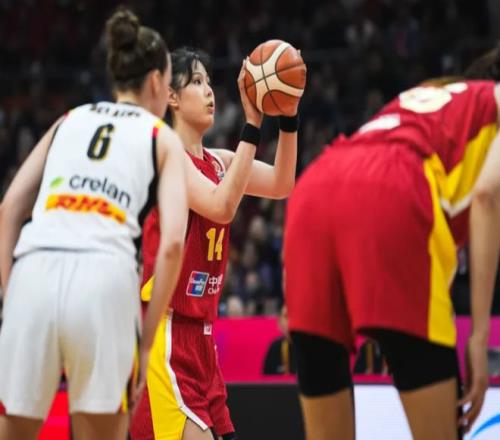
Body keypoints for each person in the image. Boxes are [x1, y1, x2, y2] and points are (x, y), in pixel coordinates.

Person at [284, 46, 500, 440]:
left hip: (316, 187)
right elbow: (488, 196)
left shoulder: (430, 97)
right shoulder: (490, 103)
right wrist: (480, 336)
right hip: (393, 191)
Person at [0, 8, 190, 440]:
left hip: (34, 270)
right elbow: (172, 245)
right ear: (156, 82)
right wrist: (146, 343)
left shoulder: (70, 119)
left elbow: (9, 208)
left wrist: (13, 296)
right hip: (104, 278)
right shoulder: (161, 136)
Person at [130, 47, 304, 440]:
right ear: (171, 97)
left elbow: (282, 183)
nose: (209, 90)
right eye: (196, 81)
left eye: (209, 81)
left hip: (203, 339)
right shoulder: (168, 158)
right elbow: (221, 206)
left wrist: (289, 116)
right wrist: (252, 124)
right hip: (165, 334)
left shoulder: (219, 161)